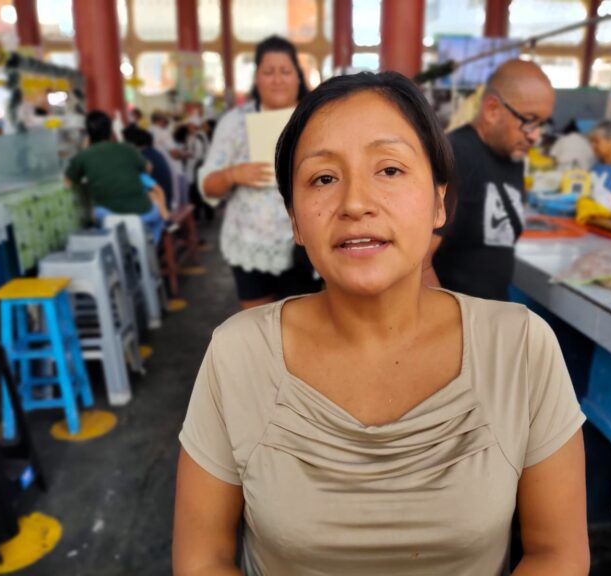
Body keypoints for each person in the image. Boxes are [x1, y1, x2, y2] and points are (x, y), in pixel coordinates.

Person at [174, 71, 589, 576]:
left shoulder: (521, 347)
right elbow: (202, 559)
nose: (355, 204)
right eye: (323, 178)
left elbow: (558, 554)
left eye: (389, 170)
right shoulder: (236, 355)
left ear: (439, 202)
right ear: (295, 221)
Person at [197, 35, 320, 309]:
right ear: (256, 78)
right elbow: (207, 186)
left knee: (305, 326)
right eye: (268, 71)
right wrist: (232, 175)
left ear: (298, 77)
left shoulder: (316, 120)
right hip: (250, 242)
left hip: (305, 244)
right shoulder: (234, 123)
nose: (277, 79)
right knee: (258, 329)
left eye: (285, 71)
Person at [429, 60, 555, 301]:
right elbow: (418, 264)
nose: (536, 135)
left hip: (492, 315)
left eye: (542, 124)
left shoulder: (511, 156)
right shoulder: (457, 158)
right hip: (459, 322)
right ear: (492, 110)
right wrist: (449, 325)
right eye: (529, 120)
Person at [64, 110, 164, 243]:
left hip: (111, 218)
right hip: (143, 214)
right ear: (111, 130)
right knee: (158, 218)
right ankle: (150, 246)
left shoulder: (83, 156)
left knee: (96, 214)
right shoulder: (127, 148)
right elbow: (148, 167)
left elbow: (67, 182)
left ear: (87, 134)